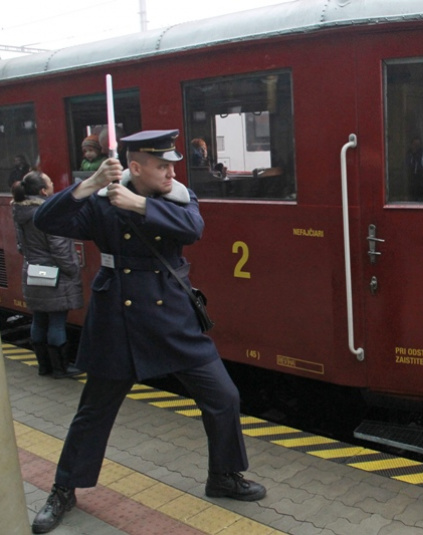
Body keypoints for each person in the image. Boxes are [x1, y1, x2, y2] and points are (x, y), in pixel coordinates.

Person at [31, 130, 266, 534]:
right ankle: (63, 490)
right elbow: (45, 219)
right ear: (135, 167)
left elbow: (193, 229)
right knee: (93, 413)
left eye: (172, 163)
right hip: (117, 319)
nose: (171, 171)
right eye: (161, 165)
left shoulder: (177, 197)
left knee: (223, 395)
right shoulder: (103, 204)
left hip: (170, 314)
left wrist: (139, 204)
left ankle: (223, 476)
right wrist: (91, 184)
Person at [11, 171, 83, 379]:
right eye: (50, 182)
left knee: (40, 319)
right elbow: (59, 248)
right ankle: (61, 369)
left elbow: (21, 246)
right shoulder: (49, 212)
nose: (53, 184)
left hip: (34, 271)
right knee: (57, 321)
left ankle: (44, 367)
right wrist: (72, 270)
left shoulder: (19, 210)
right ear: (44, 190)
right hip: (54, 272)